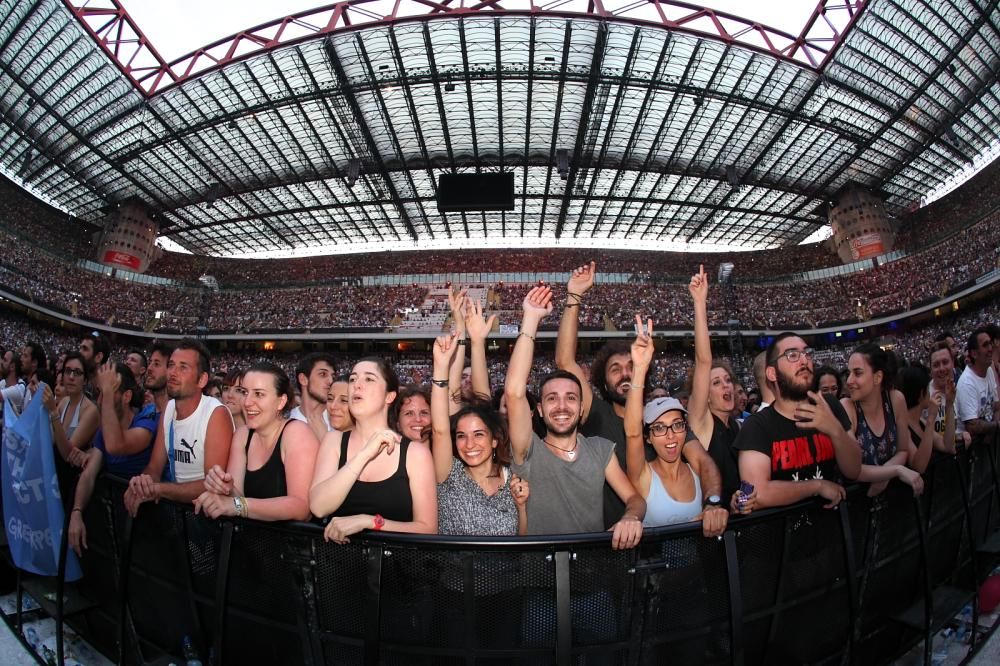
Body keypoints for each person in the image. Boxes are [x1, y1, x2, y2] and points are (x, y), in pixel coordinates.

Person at [505, 285, 645, 548]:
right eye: (551, 398)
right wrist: (531, 319)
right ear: (539, 410)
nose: (561, 406)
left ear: (581, 408)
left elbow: (635, 500)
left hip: (591, 568)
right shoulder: (528, 450)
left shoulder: (600, 449)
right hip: (541, 569)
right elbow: (514, 392)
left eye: (570, 398)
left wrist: (631, 517)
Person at [555, 261, 646, 527]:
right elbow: (565, 361)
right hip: (605, 536)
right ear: (604, 385)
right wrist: (574, 295)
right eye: (615, 370)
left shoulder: (659, 419)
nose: (625, 374)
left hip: (662, 533)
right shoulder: (598, 414)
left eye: (631, 367)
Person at [309, 358, 437, 543]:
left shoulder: (415, 454)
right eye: (353, 379)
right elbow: (318, 507)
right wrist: (365, 454)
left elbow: (428, 528)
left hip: (396, 560)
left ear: (389, 396)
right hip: (338, 560)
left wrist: (369, 522)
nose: (356, 385)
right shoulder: (334, 441)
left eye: (369, 379)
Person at [625, 316, 732, 535]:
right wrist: (640, 369)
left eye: (677, 425)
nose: (671, 435)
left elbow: (707, 465)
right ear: (648, 437)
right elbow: (632, 432)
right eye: (659, 428)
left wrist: (713, 504)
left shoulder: (697, 472)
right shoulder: (644, 476)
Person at [734, 333, 862, 510]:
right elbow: (757, 494)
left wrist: (835, 429)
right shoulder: (757, 426)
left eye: (807, 353)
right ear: (772, 373)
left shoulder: (829, 405)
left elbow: (854, 470)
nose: (804, 360)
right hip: (786, 527)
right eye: (792, 355)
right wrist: (816, 486)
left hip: (837, 523)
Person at [430, 333, 529, 535]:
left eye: (478, 434)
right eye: (461, 436)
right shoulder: (449, 475)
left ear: (494, 441)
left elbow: (521, 541)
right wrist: (440, 367)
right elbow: (439, 430)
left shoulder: (512, 479)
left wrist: (521, 506)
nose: (469, 444)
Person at [194, 363, 319, 522]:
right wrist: (226, 489)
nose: (247, 402)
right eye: (245, 392)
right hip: (248, 536)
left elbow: (301, 507)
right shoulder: (242, 436)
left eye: (259, 394)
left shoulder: (297, 433)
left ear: (281, 401)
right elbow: (237, 500)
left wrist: (237, 504)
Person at [123, 339, 235, 516]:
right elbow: (154, 467)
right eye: (171, 365)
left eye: (183, 367)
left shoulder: (215, 414)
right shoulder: (168, 409)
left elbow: (212, 485)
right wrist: (143, 483)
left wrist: (159, 489)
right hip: (179, 513)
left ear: (202, 379)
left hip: (206, 518)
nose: (173, 373)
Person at [64, 362, 156, 556]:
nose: (100, 400)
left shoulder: (145, 423)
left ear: (126, 397)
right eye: (99, 392)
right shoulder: (103, 432)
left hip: (144, 528)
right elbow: (89, 475)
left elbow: (117, 444)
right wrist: (77, 512)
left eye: (107, 392)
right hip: (114, 524)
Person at [686, 265, 741, 503]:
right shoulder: (702, 423)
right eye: (716, 382)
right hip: (713, 520)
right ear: (705, 395)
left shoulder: (737, 427)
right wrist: (700, 302)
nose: (726, 386)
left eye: (727, 380)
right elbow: (703, 361)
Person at [841, 343, 925, 494]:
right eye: (849, 373)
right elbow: (853, 469)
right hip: (860, 501)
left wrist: (884, 475)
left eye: (857, 373)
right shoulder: (847, 407)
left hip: (895, 499)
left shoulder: (896, 400)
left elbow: (903, 450)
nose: (849, 381)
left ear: (878, 377)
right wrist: (895, 470)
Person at [43, 351, 100, 460]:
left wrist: (53, 412)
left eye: (77, 372)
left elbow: (67, 454)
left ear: (85, 380)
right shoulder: (64, 402)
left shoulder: (90, 411)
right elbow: (50, 439)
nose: (71, 377)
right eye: (68, 371)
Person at [898, 365, 955, 456]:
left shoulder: (921, 422)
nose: (930, 393)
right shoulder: (904, 428)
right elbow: (919, 464)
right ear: (921, 393)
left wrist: (949, 404)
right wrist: (931, 418)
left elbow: (948, 447)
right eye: (928, 389)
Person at [955, 327, 999, 439]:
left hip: (989, 439)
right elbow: (972, 427)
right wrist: (997, 426)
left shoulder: (988, 371)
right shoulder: (967, 382)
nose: (990, 348)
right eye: (985, 345)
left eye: (990, 343)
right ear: (974, 354)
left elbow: (996, 407)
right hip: (972, 446)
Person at [928, 341, 970, 449]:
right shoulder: (925, 397)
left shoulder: (962, 388)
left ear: (953, 363)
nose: (941, 368)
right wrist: (957, 437)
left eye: (945, 362)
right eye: (936, 365)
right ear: (930, 369)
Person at [290, 352, 337, 441]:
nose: (331, 381)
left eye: (333, 376)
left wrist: (325, 438)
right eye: (323, 374)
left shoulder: (341, 420)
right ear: (303, 379)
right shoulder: (285, 422)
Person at [144, 341, 172, 414]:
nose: (149, 368)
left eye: (156, 364)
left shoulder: (179, 415)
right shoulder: (144, 412)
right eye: (150, 363)